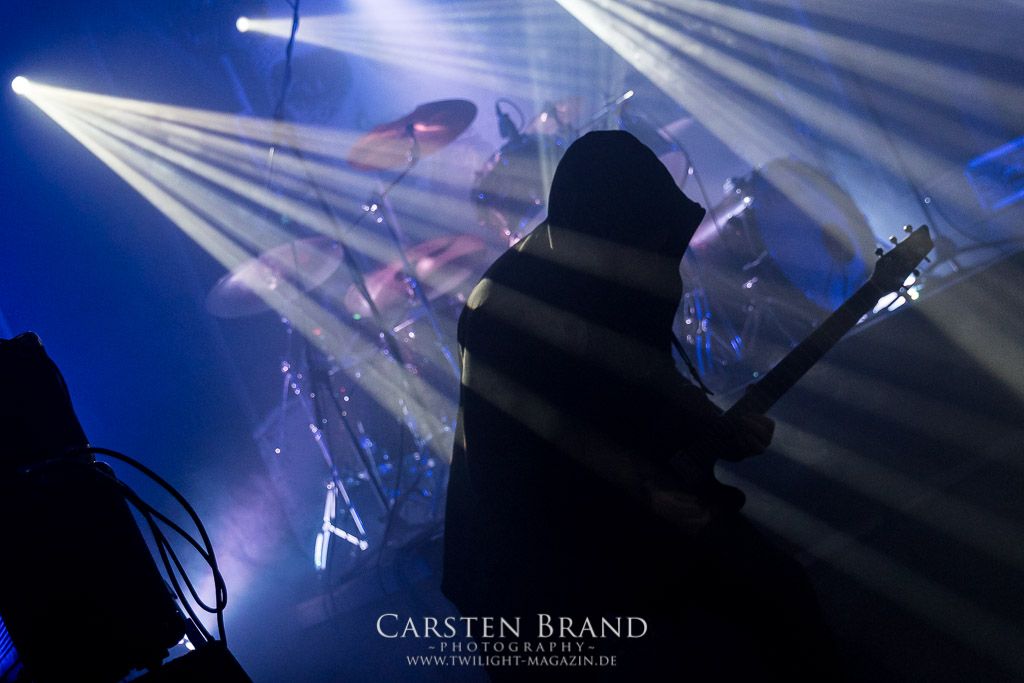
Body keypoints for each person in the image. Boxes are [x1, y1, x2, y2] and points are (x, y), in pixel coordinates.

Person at [442, 131, 836, 680]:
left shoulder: (609, 269)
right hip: (534, 575)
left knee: (779, 599)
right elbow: (528, 453)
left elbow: (647, 377)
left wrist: (716, 428)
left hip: (620, 522)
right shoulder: (502, 311)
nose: (655, 250)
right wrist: (640, 491)